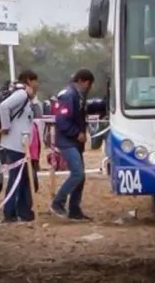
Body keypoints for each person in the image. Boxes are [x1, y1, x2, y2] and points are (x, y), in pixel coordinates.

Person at [50, 69, 94, 221]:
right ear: (82, 81)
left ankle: (75, 210)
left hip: (74, 142)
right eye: (88, 84)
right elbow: (61, 120)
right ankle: (58, 202)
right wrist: (77, 133)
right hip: (67, 141)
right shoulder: (69, 95)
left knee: (80, 177)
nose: (89, 88)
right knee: (77, 173)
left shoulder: (78, 95)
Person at [0, 69, 39, 223]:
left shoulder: (26, 95)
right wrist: (6, 126)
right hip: (16, 144)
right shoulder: (21, 94)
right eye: (35, 80)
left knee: (24, 180)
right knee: (17, 180)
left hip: (20, 144)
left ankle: (23, 212)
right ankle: (10, 213)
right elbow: (4, 106)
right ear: (29, 80)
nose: (37, 84)